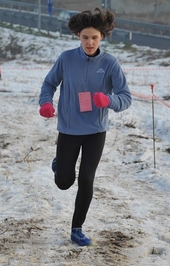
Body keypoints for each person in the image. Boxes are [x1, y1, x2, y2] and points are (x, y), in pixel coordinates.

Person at [38, 8, 132, 246]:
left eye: (94, 37)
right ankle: (60, 165)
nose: (90, 42)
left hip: (96, 131)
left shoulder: (110, 63)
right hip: (69, 129)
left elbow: (126, 98)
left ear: (102, 37)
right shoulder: (66, 59)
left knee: (86, 179)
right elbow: (49, 83)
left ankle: (77, 228)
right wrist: (46, 103)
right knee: (64, 183)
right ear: (78, 36)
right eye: (85, 37)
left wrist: (108, 101)